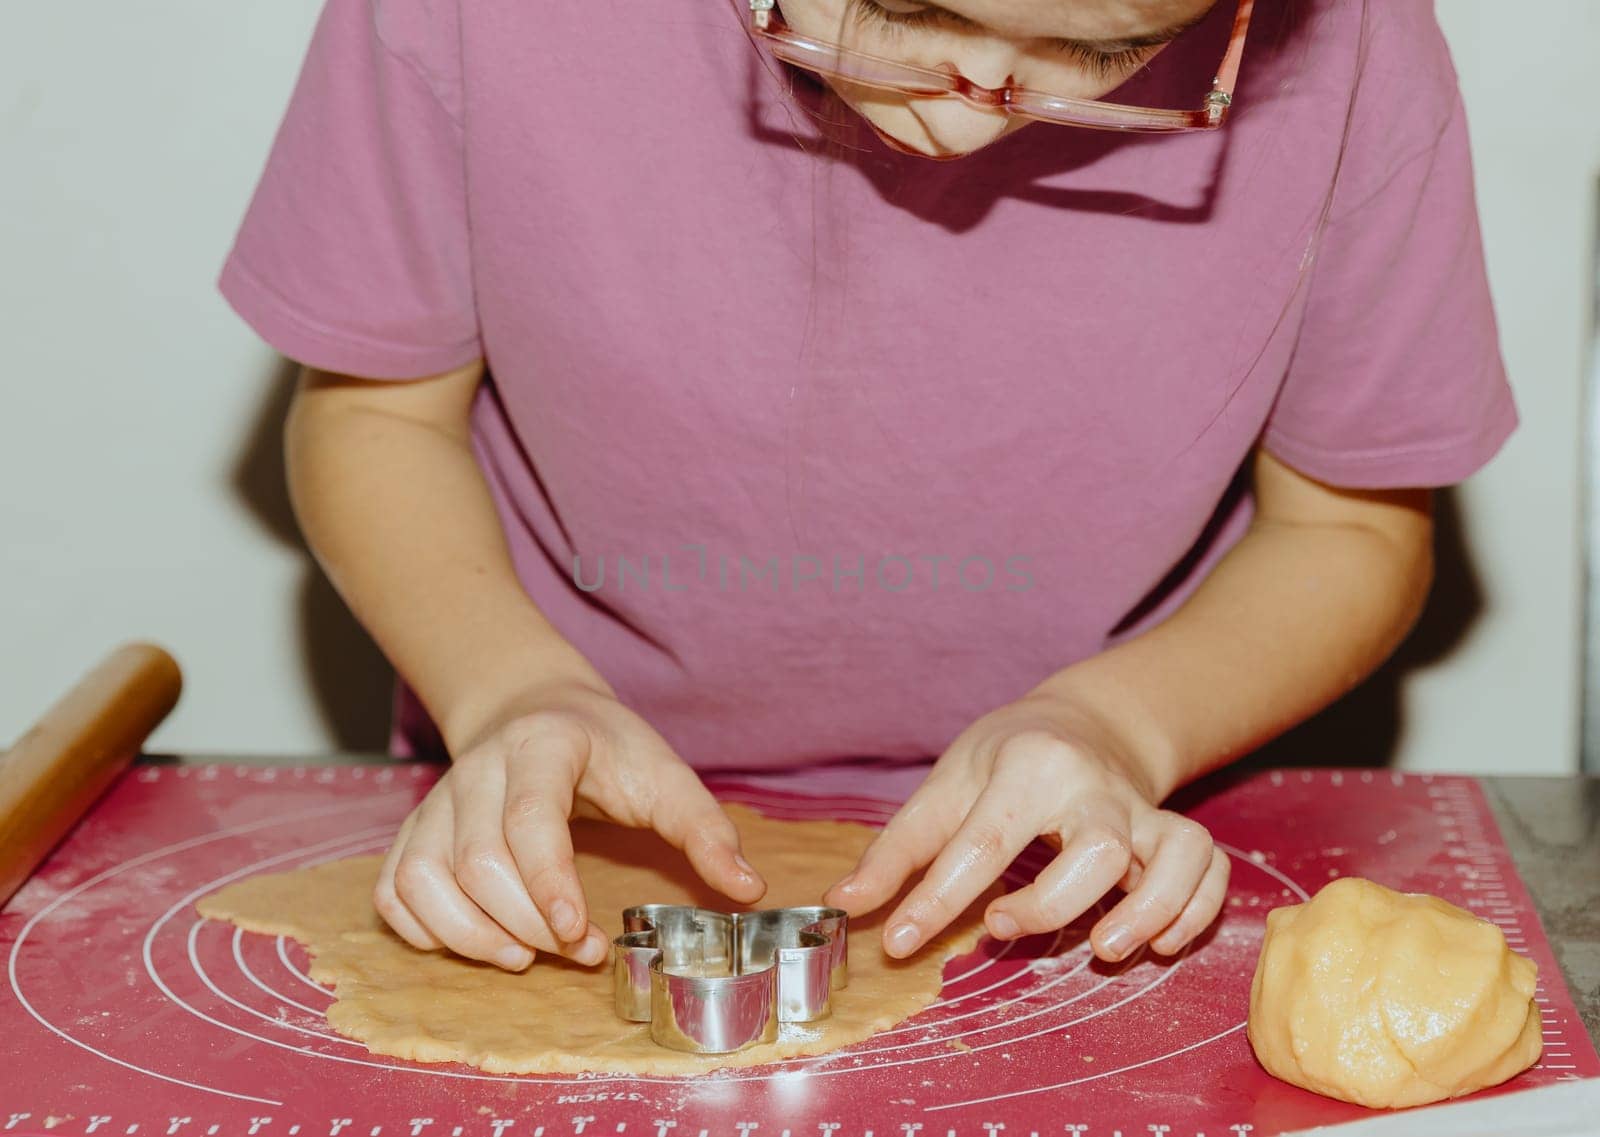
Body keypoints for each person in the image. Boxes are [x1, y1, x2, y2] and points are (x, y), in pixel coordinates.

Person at [219, 0, 1517, 976]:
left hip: (1098, 839)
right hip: (550, 822)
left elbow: (1348, 527)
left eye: (1111, 52)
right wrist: (508, 689)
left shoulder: (1348, 44)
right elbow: (377, 419)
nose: (972, 106)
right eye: (904, 10)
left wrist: (1120, 726)